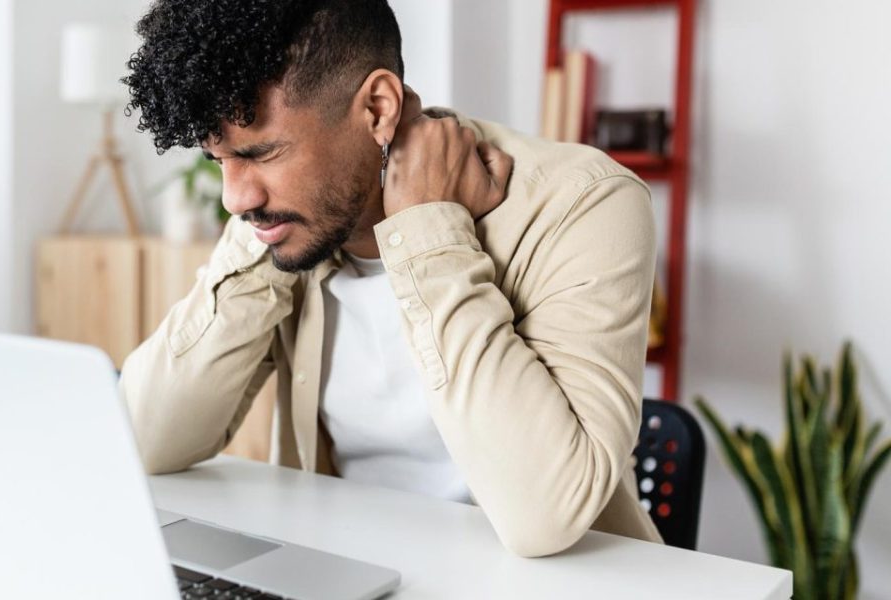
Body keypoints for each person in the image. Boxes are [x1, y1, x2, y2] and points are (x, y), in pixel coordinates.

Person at [118, 0, 662, 557]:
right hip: (340, 574)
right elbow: (144, 440)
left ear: (378, 108)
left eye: (263, 153)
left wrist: (427, 230)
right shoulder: (296, 226)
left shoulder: (582, 202)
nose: (237, 198)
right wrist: (259, 237)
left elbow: (544, 518)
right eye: (220, 161)